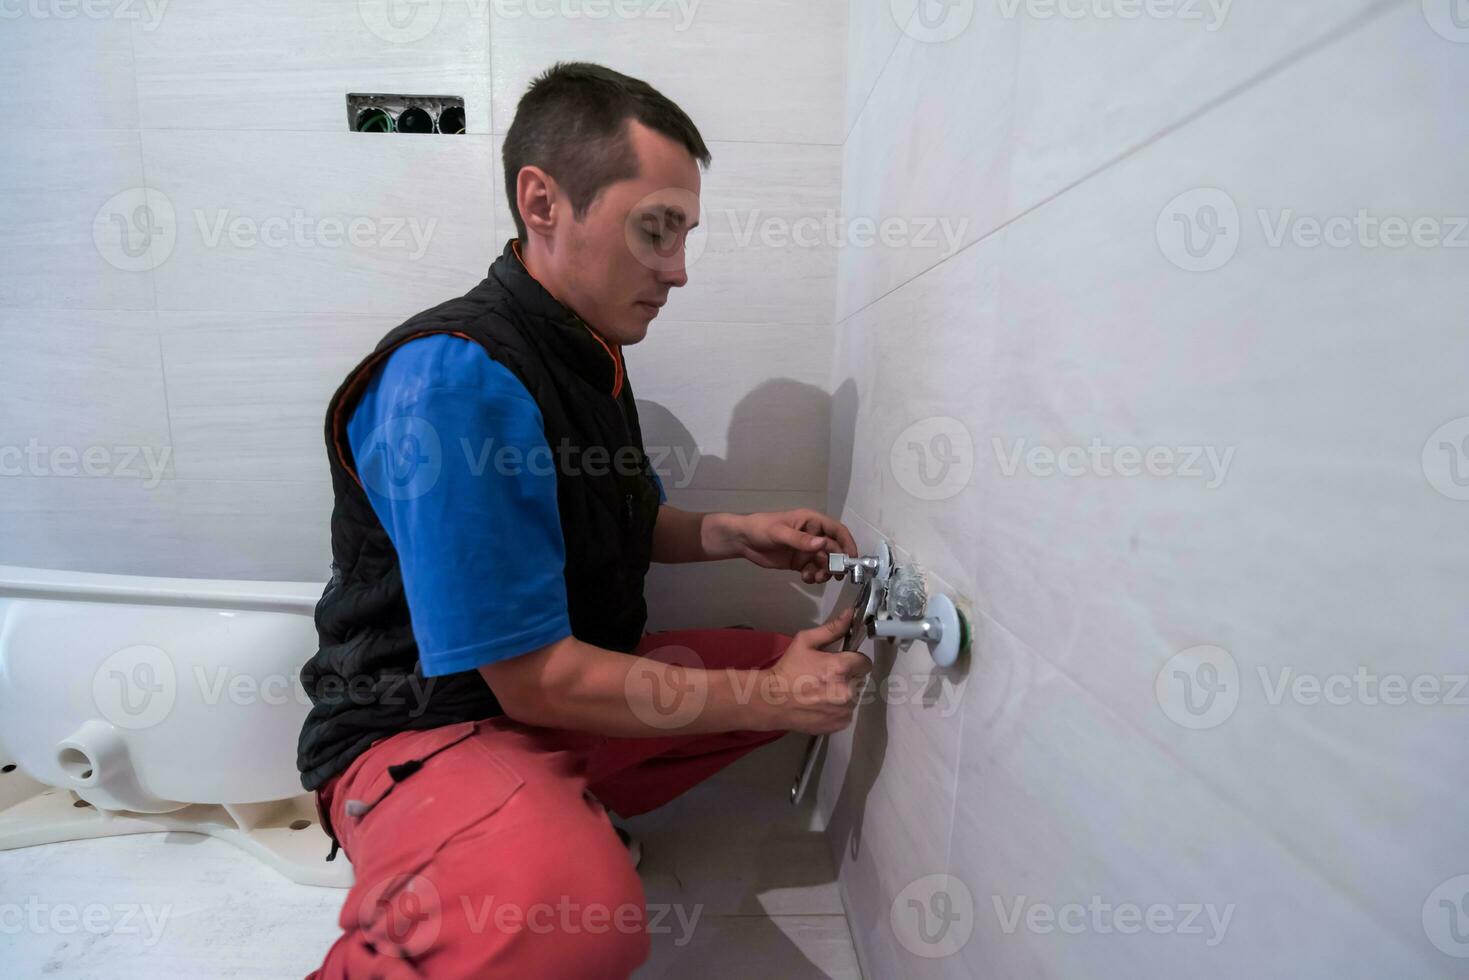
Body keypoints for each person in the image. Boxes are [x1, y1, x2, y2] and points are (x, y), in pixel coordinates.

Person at [297, 61, 872, 979]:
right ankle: (493, 836)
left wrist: (734, 533)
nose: (678, 270)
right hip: (419, 731)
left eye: (683, 235)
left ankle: (547, 807)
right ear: (543, 202)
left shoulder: (584, 352)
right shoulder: (454, 379)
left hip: (521, 710)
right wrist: (773, 699)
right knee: (577, 919)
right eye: (655, 230)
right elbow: (532, 680)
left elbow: (624, 520)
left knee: (777, 659)